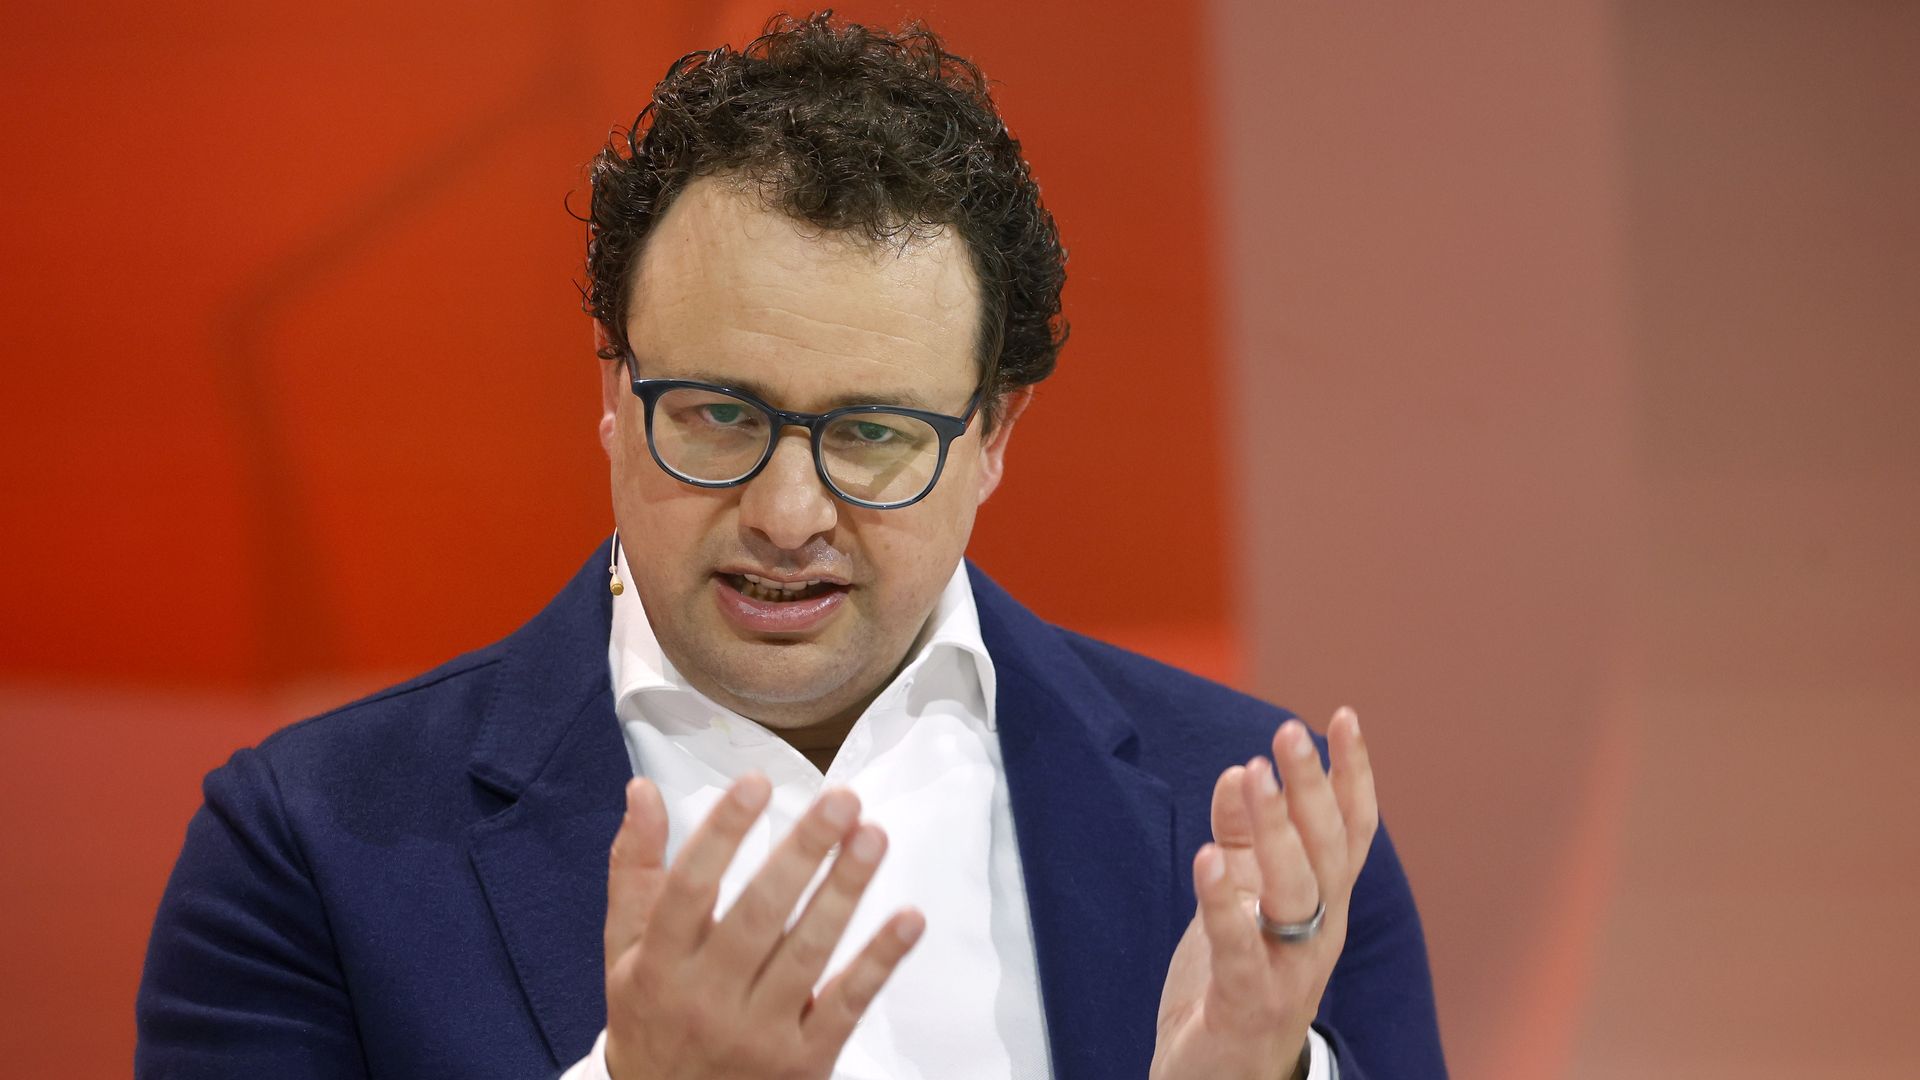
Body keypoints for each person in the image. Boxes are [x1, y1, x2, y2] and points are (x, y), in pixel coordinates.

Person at [136, 14, 1445, 1080]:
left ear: (993, 436)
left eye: (870, 434)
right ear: (611, 389)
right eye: (717, 414)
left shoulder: (1262, 844)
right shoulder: (310, 851)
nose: (785, 513)